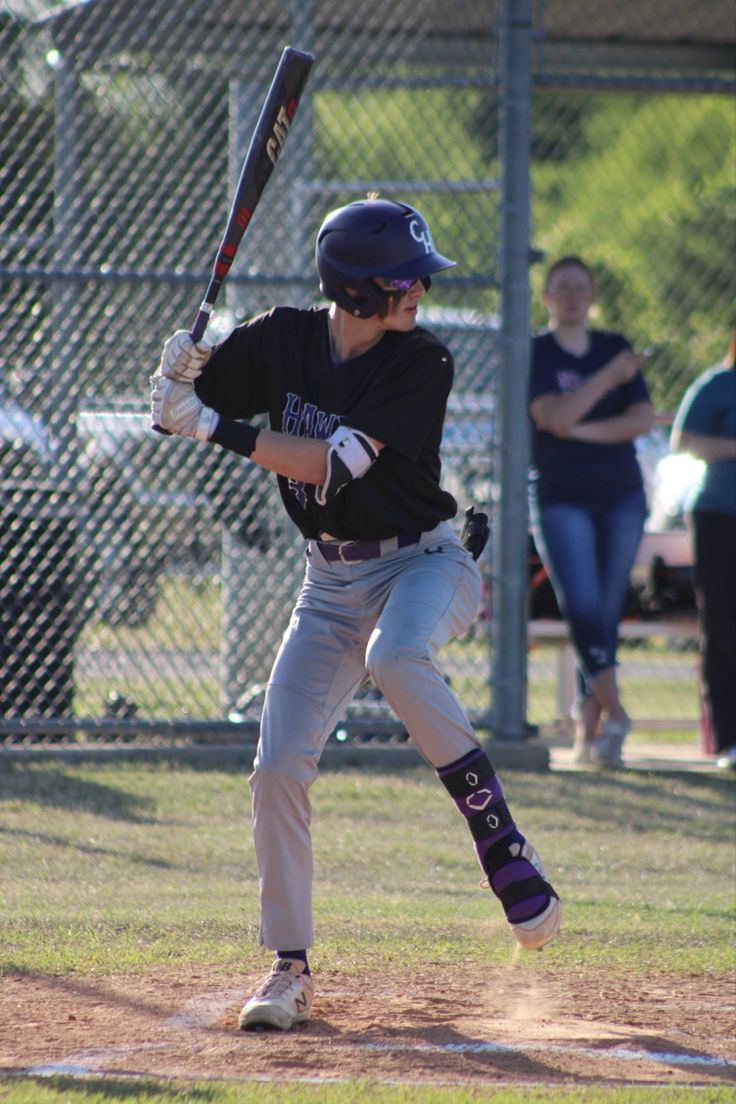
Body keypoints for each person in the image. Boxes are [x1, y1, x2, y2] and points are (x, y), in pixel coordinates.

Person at [151, 197, 561, 1032]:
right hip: (328, 583)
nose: (417, 291)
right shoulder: (278, 338)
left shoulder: (423, 362)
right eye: (402, 279)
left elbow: (329, 468)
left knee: (397, 657)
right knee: (274, 769)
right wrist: (175, 377)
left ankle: (501, 845)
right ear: (356, 287)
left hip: (425, 562)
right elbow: (179, 406)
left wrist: (210, 426)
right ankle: (289, 967)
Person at [528, 255, 654, 767]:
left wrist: (576, 427)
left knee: (604, 609)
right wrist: (605, 382)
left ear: (594, 293)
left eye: (582, 286)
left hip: (620, 493)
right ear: (546, 298)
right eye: (563, 288)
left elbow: (641, 420)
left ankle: (592, 731)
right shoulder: (537, 351)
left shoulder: (614, 346)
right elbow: (550, 415)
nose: (574, 296)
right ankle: (617, 712)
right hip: (562, 495)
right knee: (580, 604)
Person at [670, 329, 736, 770]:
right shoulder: (718, 384)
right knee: (724, 625)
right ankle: (729, 742)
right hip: (720, 517)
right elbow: (684, 441)